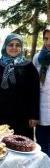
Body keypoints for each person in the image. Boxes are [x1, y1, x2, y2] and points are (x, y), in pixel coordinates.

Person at [0, 33, 39, 139]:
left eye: (17, 45)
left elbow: (34, 92)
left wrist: (34, 115)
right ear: (5, 46)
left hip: (21, 115)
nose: (14, 48)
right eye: (11, 44)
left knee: (19, 146)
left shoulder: (29, 67)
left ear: (21, 48)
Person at [33, 27, 50, 157]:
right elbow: (33, 84)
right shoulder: (37, 58)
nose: (48, 42)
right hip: (41, 111)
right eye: (46, 38)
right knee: (42, 147)